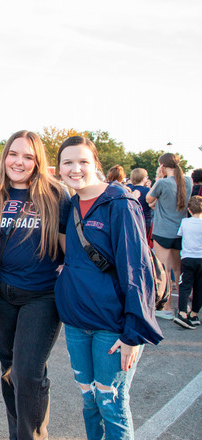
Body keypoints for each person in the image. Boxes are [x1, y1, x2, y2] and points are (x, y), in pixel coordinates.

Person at [55, 136, 163, 440]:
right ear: (59, 168)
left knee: (111, 404)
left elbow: (137, 271)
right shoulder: (72, 203)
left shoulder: (120, 203)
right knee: (89, 402)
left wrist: (133, 334)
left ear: (95, 165)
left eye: (83, 162)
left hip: (112, 327)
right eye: (68, 163)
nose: (75, 169)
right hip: (77, 324)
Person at [0, 130, 71, 440]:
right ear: (5, 156)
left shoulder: (56, 195)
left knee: (28, 374)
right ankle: (18, 434)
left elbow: (69, 248)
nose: (19, 162)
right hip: (1, 296)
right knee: (10, 372)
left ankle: (31, 437)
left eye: (28, 157)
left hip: (42, 296)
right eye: (13, 154)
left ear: (38, 162)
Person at [146, 153, 193, 319]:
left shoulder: (162, 183)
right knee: (179, 270)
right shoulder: (188, 181)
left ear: (162, 166)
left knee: (163, 269)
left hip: (163, 231)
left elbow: (148, 198)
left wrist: (158, 178)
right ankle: (183, 306)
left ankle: (167, 307)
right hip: (180, 230)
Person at [173, 195, 202, 329]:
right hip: (201, 258)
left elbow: (180, 235)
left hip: (187, 257)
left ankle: (183, 312)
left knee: (185, 285)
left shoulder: (185, 222)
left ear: (189, 210)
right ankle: (194, 313)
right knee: (199, 287)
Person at [126, 168, 153, 241]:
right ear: (144, 178)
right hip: (143, 221)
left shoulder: (127, 188)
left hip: (129, 220)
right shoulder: (147, 190)